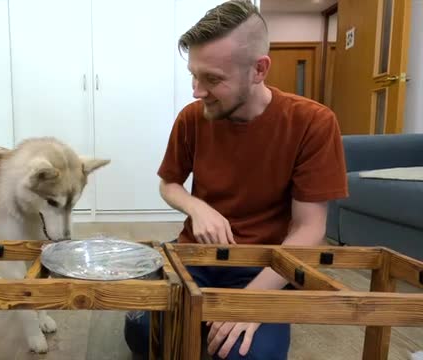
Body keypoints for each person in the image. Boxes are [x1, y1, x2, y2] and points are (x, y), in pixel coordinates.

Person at [123, 0, 349, 359]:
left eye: (212, 79)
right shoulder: (192, 118)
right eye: (194, 75)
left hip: (265, 266)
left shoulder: (313, 123)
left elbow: (310, 229)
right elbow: (169, 183)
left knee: (247, 354)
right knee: (140, 330)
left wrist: (249, 303)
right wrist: (196, 207)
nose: (197, 91)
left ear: (259, 70)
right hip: (195, 257)